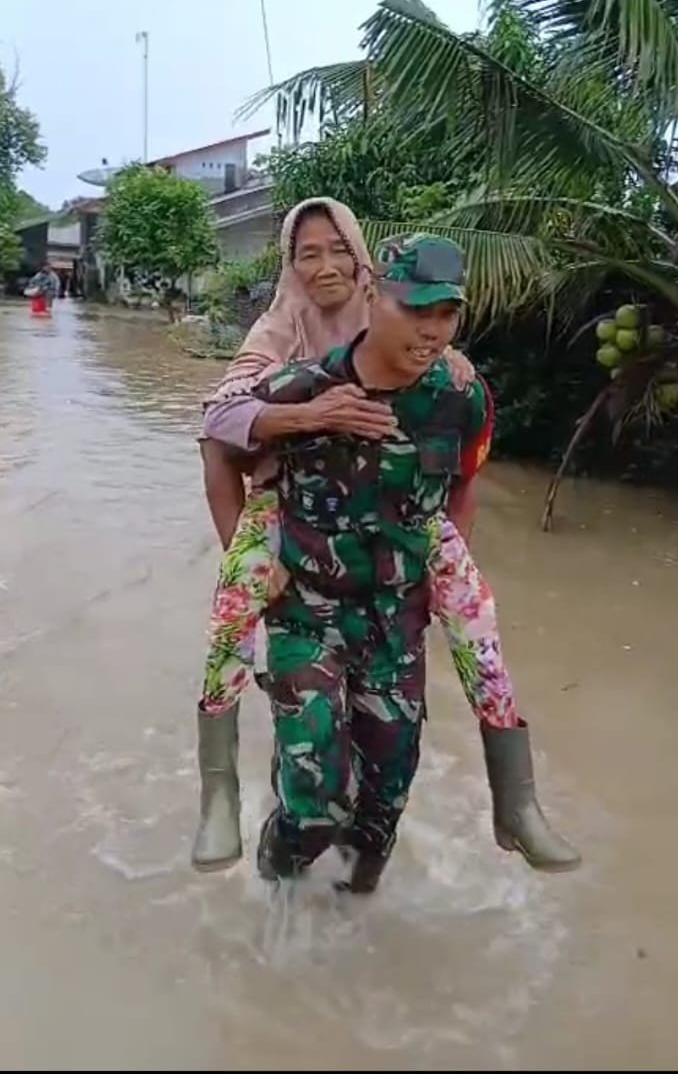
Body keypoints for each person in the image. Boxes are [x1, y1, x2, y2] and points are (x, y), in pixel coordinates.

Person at [194, 201, 580, 879]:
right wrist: (248, 547)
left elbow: (465, 482)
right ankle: (271, 879)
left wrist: (442, 567)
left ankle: (485, 823)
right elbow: (219, 438)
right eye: (416, 310)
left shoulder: (462, 397)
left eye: (446, 313)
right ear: (376, 297)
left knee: (381, 812)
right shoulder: (297, 384)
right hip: (306, 611)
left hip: (395, 620)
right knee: (314, 802)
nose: (432, 330)